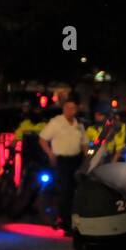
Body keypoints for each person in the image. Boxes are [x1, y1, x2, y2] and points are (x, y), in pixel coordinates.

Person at [40, 94, 85, 232]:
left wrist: (88, 158)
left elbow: (84, 144)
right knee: (64, 191)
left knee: (74, 192)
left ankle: (72, 220)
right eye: (68, 108)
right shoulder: (56, 122)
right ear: (64, 108)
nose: (70, 111)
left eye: (73, 108)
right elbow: (42, 138)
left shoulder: (79, 125)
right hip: (62, 161)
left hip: (76, 160)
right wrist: (50, 153)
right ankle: (65, 222)